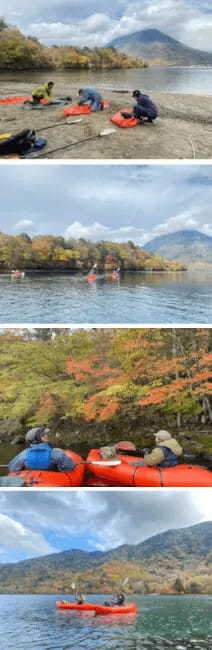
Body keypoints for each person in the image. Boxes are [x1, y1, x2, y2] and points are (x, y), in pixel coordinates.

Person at [8, 426, 77, 473]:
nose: (46, 435)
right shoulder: (56, 452)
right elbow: (69, 467)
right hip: (52, 482)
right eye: (43, 435)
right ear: (39, 438)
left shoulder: (24, 454)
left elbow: (12, 468)